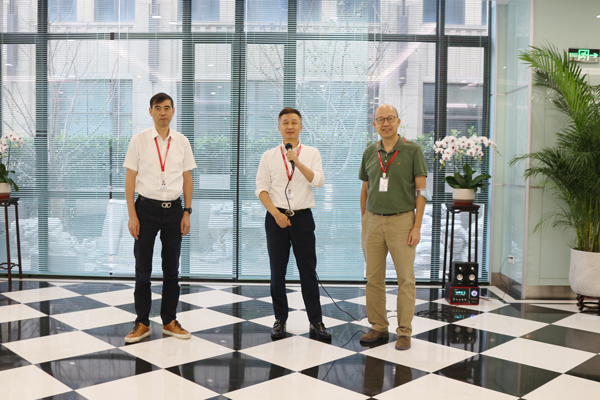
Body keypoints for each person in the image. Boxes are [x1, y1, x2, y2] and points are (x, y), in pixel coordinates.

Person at [123, 92, 197, 343]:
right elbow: (130, 179)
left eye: (167, 108)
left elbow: (187, 178)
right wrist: (132, 215)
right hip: (146, 210)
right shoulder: (139, 140)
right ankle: (142, 322)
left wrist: (187, 211)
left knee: (171, 269)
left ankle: (169, 321)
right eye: (158, 108)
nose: (163, 112)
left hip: (175, 210)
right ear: (151, 111)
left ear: (173, 111)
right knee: (143, 269)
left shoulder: (182, 141)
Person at [255, 107, 331, 341]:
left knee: (308, 271)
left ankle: (315, 320)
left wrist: (297, 162)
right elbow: (261, 189)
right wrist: (276, 214)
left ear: (300, 127)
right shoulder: (268, 156)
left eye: (294, 122)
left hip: (303, 219)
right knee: (277, 272)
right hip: (275, 218)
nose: (290, 126)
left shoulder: (311, 153)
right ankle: (280, 319)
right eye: (285, 122)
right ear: (279, 128)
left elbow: (318, 181)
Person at [359, 104, 428, 350]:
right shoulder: (370, 151)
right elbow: (365, 190)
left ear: (398, 121)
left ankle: (404, 332)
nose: (385, 123)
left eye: (390, 119)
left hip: (402, 221)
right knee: (373, 278)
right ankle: (378, 326)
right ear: (374, 124)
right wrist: (365, 220)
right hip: (373, 222)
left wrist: (416, 227)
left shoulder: (412, 150)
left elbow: (422, 192)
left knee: (405, 279)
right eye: (380, 120)